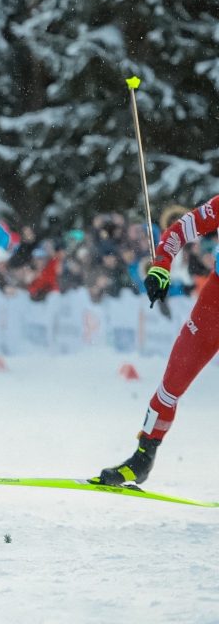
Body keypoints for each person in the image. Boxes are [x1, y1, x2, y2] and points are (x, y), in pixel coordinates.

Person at [97, 195, 219, 486]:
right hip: (215, 301)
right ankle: (143, 457)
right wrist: (161, 265)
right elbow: (178, 230)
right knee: (173, 380)